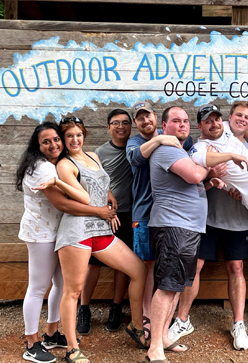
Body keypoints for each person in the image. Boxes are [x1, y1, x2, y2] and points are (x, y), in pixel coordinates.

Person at [16, 122, 117, 363]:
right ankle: (31, 342)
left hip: (60, 232)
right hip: (41, 233)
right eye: (46, 141)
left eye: (56, 140)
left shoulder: (57, 165)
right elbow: (62, 204)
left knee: (61, 285)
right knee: (38, 287)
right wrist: (98, 212)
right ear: (37, 145)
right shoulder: (41, 168)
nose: (54, 145)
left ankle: (51, 334)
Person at [51, 117, 148, 363]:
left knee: (137, 269)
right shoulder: (65, 164)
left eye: (78, 135)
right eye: (69, 136)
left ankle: (137, 327)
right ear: (63, 140)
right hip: (77, 233)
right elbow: (81, 199)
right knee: (73, 291)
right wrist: (102, 212)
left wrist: (109, 196)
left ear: (84, 135)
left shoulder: (93, 156)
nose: (75, 140)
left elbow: (101, 183)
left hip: (101, 231)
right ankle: (72, 349)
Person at [168, 101, 248, 351]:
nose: (214, 123)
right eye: (208, 120)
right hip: (204, 219)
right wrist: (209, 178)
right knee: (194, 267)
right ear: (200, 125)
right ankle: (182, 319)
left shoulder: (243, 147)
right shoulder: (196, 150)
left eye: (218, 119)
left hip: (238, 218)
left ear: (223, 121)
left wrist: (245, 193)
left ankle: (238, 323)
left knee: (236, 267)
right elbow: (190, 184)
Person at [146, 106, 209, 362]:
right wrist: (207, 168)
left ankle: (162, 337)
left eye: (185, 121)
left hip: (188, 227)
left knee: (176, 286)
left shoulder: (181, 152)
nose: (182, 124)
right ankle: (154, 348)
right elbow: (195, 175)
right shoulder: (165, 149)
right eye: (175, 121)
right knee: (167, 286)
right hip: (173, 226)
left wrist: (208, 176)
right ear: (163, 126)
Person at [126, 101, 193, 335]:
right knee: (146, 266)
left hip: (171, 216)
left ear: (157, 119)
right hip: (144, 214)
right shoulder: (135, 142)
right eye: (140, 118)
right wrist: (159, 140)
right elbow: (135, 159)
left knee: (166, 268)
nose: (145, 121)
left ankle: (161, 321)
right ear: (136, 123)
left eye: (149, 116)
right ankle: (145, 318)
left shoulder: (175, 135)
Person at [77, 109, 134, 335]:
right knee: (94, 264)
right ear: (108, 127)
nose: (121, 127)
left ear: (131, 126)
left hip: (130, 215)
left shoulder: (136, 148)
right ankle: (84, 308)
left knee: (123, 263)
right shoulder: (98, 153)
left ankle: (116, 307)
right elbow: (92, 182)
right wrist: (104, 207)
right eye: (115, 123)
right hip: (104, 214)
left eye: (125, 123)